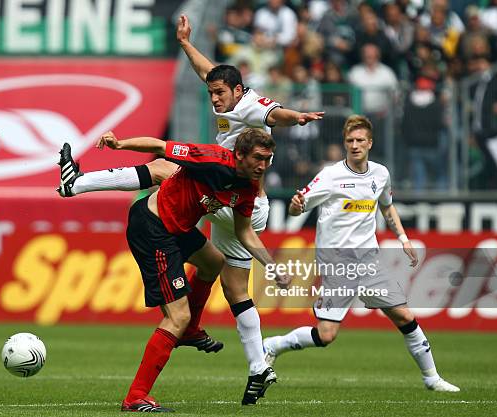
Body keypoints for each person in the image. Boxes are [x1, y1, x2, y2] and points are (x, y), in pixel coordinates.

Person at [58, 13, 324, 390]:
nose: (213, 99)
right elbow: (208, 71)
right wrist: (185, 43)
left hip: (239, 199)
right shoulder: (224, 99)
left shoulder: (249, 109)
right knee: (204, 244)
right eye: (211, 93)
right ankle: (77, 185)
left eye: (219, 93)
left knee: (234, 287)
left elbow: (273, 113)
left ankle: (252, 363)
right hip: (222, 190)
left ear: (237, 89)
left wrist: (297, 117)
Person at [72, 128, 286, 411]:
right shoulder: (212, 160)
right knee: (177, 316)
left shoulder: (247, 187)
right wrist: (120, 143)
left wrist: (271, 267)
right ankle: (136, 396)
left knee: (214, 261)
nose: (263, 166)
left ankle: (190, 330)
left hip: (178, 228)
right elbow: (160, 147)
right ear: (240, 155)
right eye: (258, 158)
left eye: (268, 159)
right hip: (153, 227)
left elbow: (244, 232)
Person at [262, 115, 460, 393]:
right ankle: (274, 345)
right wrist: (296, 205)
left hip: (368, 261)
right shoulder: (331, 175)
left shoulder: (380, 174)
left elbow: (387, 207)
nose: (354, 145)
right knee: (327, 335)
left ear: (370, 143)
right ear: (345, 143)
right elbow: (298, 208)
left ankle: (431, 378)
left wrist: (403, 238)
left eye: (359, 141)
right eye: (349, 141)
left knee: (404, 316)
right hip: (337, 261)